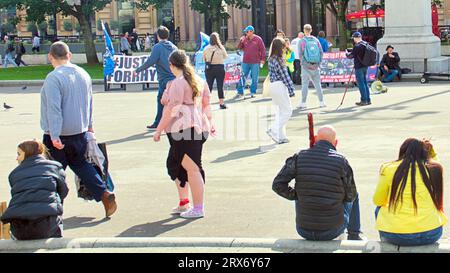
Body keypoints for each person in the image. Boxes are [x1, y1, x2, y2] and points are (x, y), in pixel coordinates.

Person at [40, 41, 117, 218]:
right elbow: (89, 103)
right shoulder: (83, 74)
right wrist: (89, 126)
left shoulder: (53, 77)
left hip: (58, 134)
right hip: (80, 131)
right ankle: (105, 194)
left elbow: (54, 108)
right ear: (69, 55)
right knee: (82, 165)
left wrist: (54, 134)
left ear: (50, 57)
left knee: (53, 172)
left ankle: (53, 210)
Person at [272, 125, 363, 241]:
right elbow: (351, 196)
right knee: (355, 195)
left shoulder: (299, 157)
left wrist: (296, 195)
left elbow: (277, 185)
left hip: (303, 230)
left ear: (315, 139)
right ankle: (354, 234)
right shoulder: (341, 161)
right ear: (336, 143)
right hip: (332, 230)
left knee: (302, 190)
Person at [153, 50, 215, 219]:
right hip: (197, 127)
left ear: (172, 65)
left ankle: (198, 207)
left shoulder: (178, 83)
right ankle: (185, 202)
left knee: (192, 169)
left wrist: (159, 129)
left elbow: (172, 110)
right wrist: (211, 123)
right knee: (177, 165)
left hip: (185, 130)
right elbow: (206, 105)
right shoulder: (199, 80)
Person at [373, 138, 447, 246]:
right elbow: (435, 165)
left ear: (402, 151)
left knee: (379, 209)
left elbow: (378, 200)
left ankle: (386, 246)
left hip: (397, 236)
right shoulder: (433, 169)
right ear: (424, 154)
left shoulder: (388, 169)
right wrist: (431, 153)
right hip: (431, 234)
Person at [0, 140, 68, 240]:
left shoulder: (14, 174)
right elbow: (63, 191)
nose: (16, 158)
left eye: (19, 154)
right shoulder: (55, 167)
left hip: (19, 229)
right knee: (56, 208)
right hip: (46, 227)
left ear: (27, 154)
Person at [135, 26, 178, 129]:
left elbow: (150, 61)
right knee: (174, 101)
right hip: (174, 78)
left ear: (158, 36)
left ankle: (158, 122)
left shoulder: (158, 47)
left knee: (161, 100)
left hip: (164, 79)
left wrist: (138, 70)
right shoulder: (174, 47)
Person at [266, 38, 295, 145]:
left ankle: (281, 135)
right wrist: (291, 89)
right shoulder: (279, 60)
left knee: (281, 112)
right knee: (287, 111)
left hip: (273, 85)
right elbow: (285, 76)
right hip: (280, 85)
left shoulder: (271, 59)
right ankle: (273, 129)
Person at [298, 24, 326, 110]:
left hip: (306, 66)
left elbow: (300, 54)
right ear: (311, 30)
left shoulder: (302, 41)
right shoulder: (316, 40)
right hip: (316, 65)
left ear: (304, 30)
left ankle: (303, 103)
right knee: (318, 84)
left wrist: (304, 64)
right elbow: (321, 52)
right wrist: (318, 63)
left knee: (305, 85)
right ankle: (321, 102)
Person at [235, 25, 266, 99]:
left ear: (251, 32)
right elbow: (239, 48)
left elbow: (263, 50)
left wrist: (263, 60)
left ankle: (252, 91)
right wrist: (241, 41)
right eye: (245, 32)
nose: (246, 33)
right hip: (245, 61)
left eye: (247, 32)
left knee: (254, 77)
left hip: (255, 62)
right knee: (242, 76)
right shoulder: (244, 39)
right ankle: (240, 91)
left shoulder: (258, 39)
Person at [203, 32, 228, 109]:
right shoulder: (221, 48)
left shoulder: (206, 48)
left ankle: (206, 104)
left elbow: (204, 59)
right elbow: (225, 57)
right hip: (219, 68)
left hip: (209, 68)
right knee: (220, 86)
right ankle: (221, 103)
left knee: (209, 86)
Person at [346, 32, 371, 106]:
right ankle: (368, 99)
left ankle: (363, 100)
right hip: (365, 65)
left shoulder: (357, 46)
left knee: (361, 83)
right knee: (365, 82)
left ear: (356, 38)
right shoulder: (366, 44)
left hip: (359, 67)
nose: (353, 39)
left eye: (353, 38)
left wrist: (346, 53)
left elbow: (351, 56)